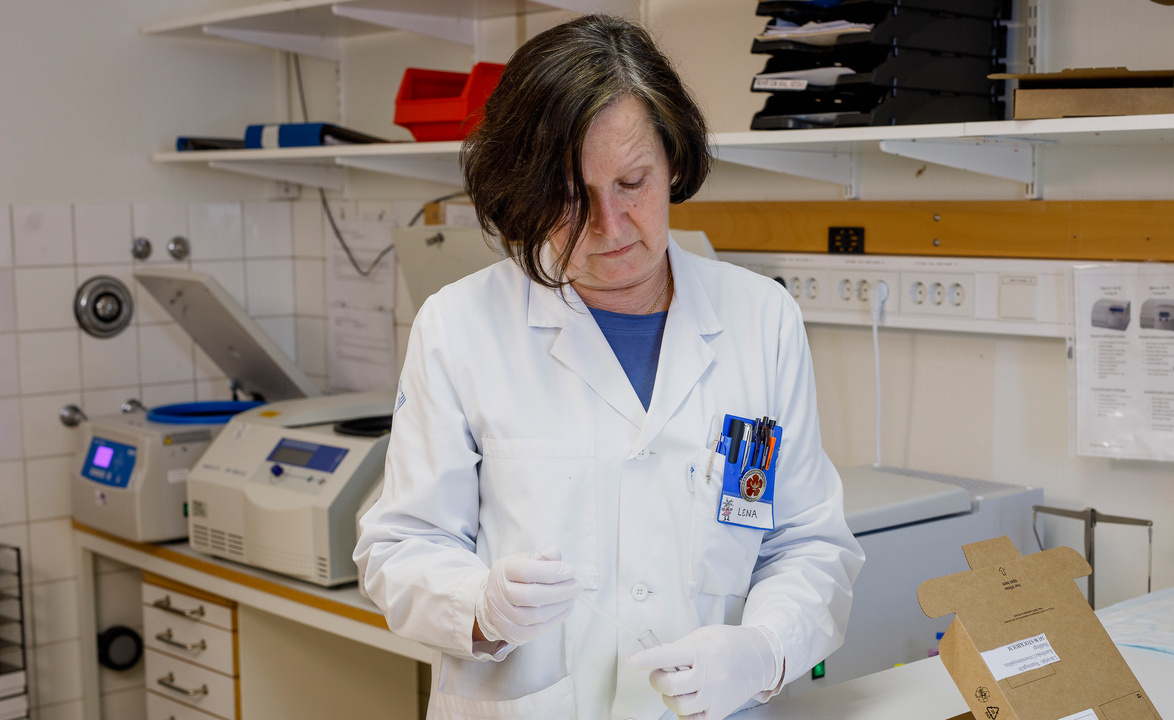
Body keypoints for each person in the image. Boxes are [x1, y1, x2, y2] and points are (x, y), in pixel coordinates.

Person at [355, 14, 864, 720]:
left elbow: (807, 543)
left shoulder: (761, 320)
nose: (612, 226)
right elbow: (400, 547)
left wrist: (765, 649)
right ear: (523, 195)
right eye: (570, 197)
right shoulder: (459, 327)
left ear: (673, 161)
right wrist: (479, 606)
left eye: (632, 181)